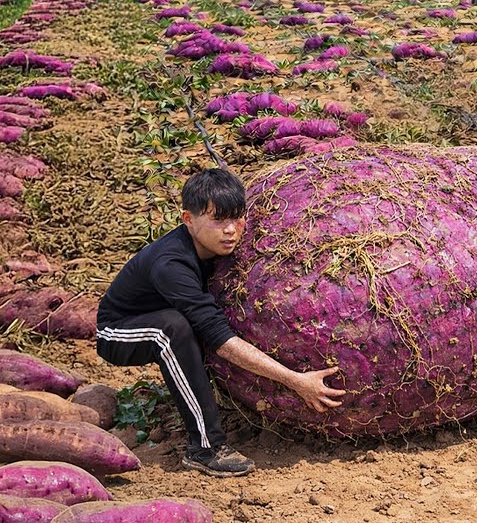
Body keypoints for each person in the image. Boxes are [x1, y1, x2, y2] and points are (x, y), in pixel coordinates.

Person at [96, 169, 346, 477]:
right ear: (188, 219)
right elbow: (220, 341)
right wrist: (295, 380)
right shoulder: (171, 265)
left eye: (237, 218)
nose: (230, 230)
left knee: (180, 324)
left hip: (172, 314)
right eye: (218, 220)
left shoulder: (219, 243)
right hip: (120, 331)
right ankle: (205, 448)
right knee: (172, 330)